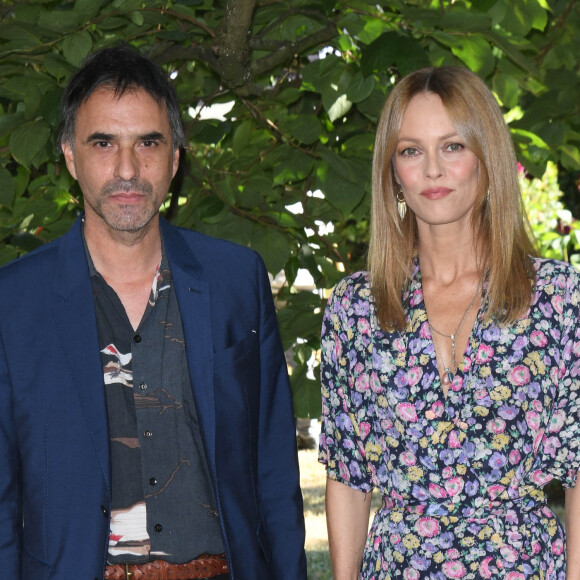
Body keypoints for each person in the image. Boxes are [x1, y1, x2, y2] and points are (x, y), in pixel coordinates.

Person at [0, 44, 307, 580]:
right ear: (70, 156)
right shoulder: (14, 303)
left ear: (175, 158)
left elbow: (274, 474)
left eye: (148, 142)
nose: (126, 167)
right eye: (103, 143)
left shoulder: (237, 281)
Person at [319, 66, 580, 579]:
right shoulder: (355, 308)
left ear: (487, 159)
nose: (432, 170)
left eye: (453, 146)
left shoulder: (557, 299)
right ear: (392, 170)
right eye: (411, 150)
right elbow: (348, 478)